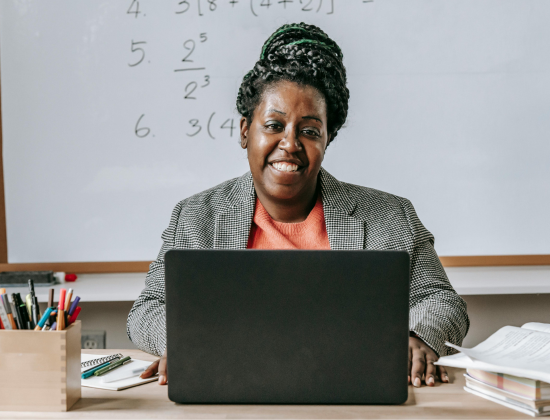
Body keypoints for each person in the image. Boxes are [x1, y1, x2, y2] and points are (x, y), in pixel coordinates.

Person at [128, 22, 469, 389]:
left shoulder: (389, 216)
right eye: (274, 125)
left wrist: (418, 337)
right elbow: (147, 309)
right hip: (233, 391)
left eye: (309, 131)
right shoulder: (197, 217)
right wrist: (185, 340)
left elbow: (442, 301)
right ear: (246, 131)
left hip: (353, 394)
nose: (289, 144)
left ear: (327, 139)